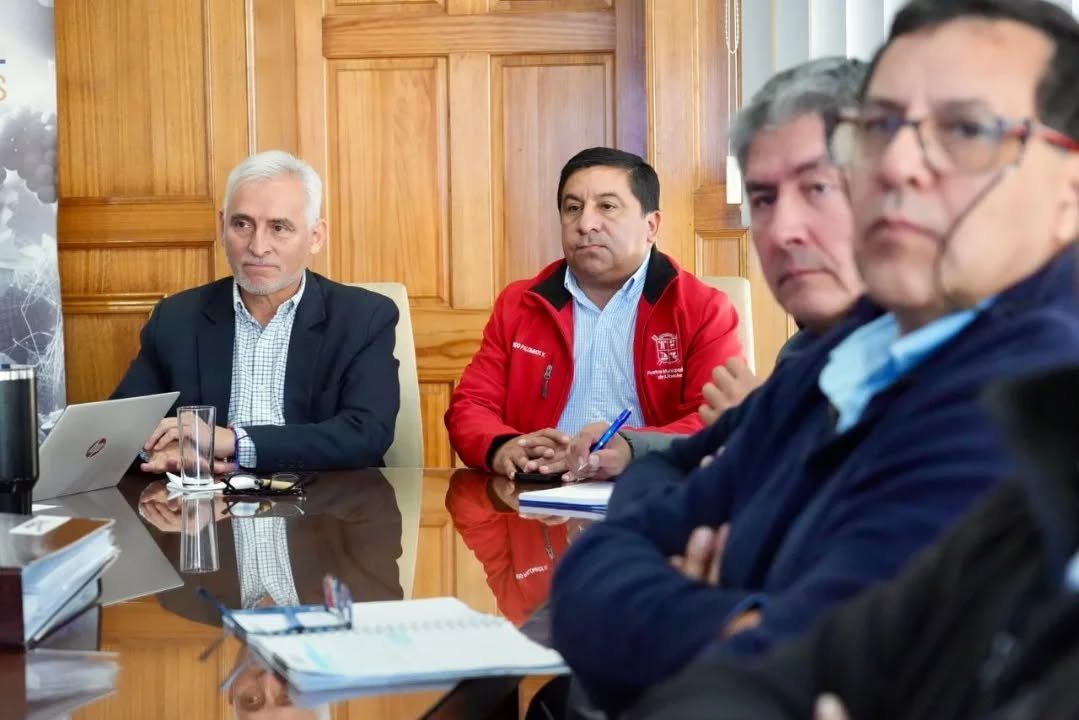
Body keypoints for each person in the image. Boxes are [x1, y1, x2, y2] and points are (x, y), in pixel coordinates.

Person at [548, 0, 1079, 710]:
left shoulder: (1032, 390)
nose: (897, 165)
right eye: (880, 128)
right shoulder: (843, 350)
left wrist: (716, 614)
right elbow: (589, 573)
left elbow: (810, 672)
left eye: (965, 130)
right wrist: (737, 621)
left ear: (1069, 193)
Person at [566, 57, 868, 482]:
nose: (782, 230)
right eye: (763, 199)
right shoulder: (802, 352)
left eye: (817, 188)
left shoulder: (943, 359)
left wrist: (766, 435)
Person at [444, 147, 743, 479]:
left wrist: (632, 448)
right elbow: (471, 406)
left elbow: (717, 420)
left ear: (651, 225)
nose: (585, 224)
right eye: (573, 208)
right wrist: (503, 446)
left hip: (655, 488)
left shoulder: (703, 309)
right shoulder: (520, 303)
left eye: (607, 207)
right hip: (538, 491)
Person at [112, 150, 400, 474]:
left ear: (315, 237)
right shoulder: (175, 318)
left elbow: (366, 433)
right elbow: (121, 429)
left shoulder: (364, 318)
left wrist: (235, 442)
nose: (258, 247)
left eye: (279, 227)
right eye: (242, 224)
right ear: (222, 227)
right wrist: (158, 452)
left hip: (323, 499)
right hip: (209, 498)